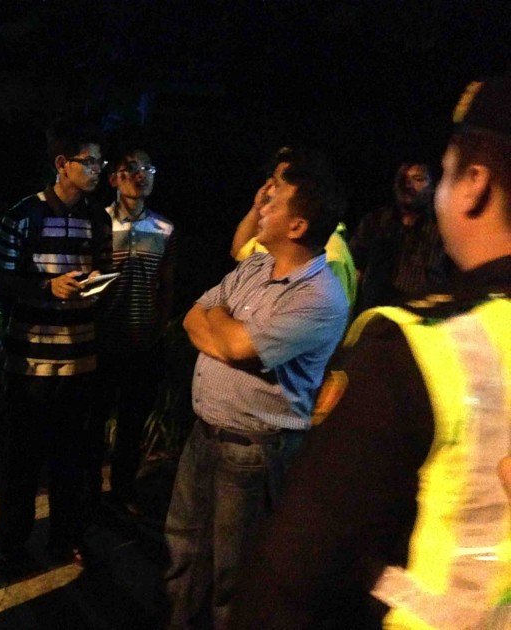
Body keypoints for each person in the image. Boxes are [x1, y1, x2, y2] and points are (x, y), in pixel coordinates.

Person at [228, 76, 511, 629]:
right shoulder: (376, 229)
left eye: (444, 173)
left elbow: (293, 578)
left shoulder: (419, 353)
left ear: (474, 183)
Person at [163, 150, 349, 628]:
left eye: (274, 200)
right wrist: (225, 336)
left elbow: (239, 344)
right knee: (184, 550)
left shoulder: (319, 296)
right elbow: (191, 317)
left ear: (297, 226)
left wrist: (223, 328)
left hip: (252, 451)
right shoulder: (253, 267)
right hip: (205, 434)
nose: (261, 206)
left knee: (235, 572)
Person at [0, 118, 112, 570]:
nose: (98, 169)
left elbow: (101, 267)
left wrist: (99, 284)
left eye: (100, 161)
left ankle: (65, 540)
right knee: (22, 463)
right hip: (30, 362)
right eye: (90, 161)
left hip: (81, 356)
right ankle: (12, 547)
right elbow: (0, 280)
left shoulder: (97, 219)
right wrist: (48, 287)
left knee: (71, 461)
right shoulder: (23, 215)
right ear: (63, 164)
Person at [86, 145, 176, 515]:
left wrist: (161, 324)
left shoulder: (164, 228)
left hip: (144, 342)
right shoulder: (98, 222)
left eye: (148, 168)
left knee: (132, 423)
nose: (141, 175)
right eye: (131, 168)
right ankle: (88, 495)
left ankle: (122, 491)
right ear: (113, 179)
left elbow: (167, 283)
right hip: (103, 341)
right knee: (93, 423)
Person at [231, 147, 357, 312]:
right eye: (270, 182)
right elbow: (239, 252)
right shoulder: (280, 239)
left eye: (277, 184)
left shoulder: (328, 255)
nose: (268, 190)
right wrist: (257, 208)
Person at [350, 160, 449, 310]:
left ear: (433, 187)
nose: (407, 185)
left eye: (418, 179)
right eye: (402, 179)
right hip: (375, 316)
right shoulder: (376, 221)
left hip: (422, 320)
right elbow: (354, 268)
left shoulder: (444, 229)